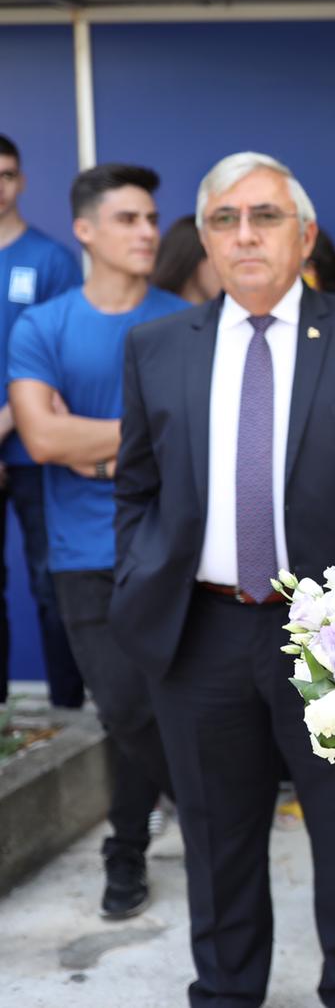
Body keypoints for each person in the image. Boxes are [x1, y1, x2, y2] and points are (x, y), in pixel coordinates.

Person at [112, 151, 335, 1007]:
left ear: (306, 234)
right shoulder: (153, 348)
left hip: (333, 636)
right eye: (225, 219)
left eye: (265, 217)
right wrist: (137, 586)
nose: (245, 235)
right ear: (206, 239)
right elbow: (137, 488)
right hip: (200, 630)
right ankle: (224, 994)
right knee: (217, 838)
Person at [8, 163, 184, 919]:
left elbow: (197, 439)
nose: (147, 231)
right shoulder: (43, 324)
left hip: (174, 545)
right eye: (127, 219)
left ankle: (127, 853)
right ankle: (204, 814)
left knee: (164, 703)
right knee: (125, 709)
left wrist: (100, 448)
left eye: (151, 218)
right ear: (85, 230)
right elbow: (42, 438)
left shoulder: (185, 320)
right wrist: (138, 442)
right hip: (83, 550)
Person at [0, 133, 83, 709]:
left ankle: (68, 715)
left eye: (6, 174)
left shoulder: (50, 260)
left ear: (22, 181)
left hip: (32, 450)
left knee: (52, 588)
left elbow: (59, 359)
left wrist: (9, 424)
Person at [152, 216, 223, 305]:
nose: (226, 271)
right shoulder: (154, 314)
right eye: (218, 258)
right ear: (192, 257)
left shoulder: (226, 315)